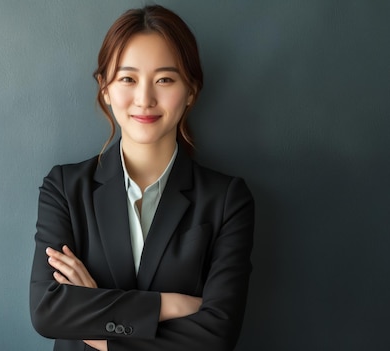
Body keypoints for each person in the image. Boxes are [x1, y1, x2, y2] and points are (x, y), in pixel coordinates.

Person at [30, 5, 254, 351]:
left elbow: (216, 337)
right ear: (105, 88)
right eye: (128, 79)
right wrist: (170, 304)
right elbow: (47, 311)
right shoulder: (64, 188)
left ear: (191, 90)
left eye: (164, 79)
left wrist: (97, 327)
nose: (145, 99)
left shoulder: (227, 200)